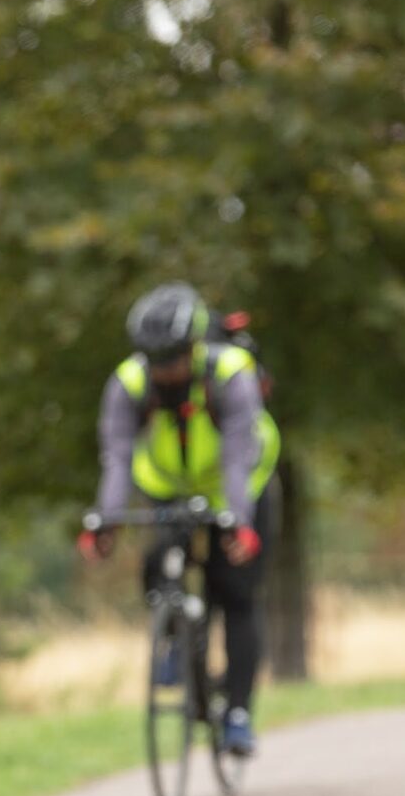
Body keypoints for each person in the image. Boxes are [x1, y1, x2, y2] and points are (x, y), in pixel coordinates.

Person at [82, 281, 281, 754]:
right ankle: (172, 639)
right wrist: (105, 520)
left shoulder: (230, 372)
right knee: (159, 561)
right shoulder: (129, 382)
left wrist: (240, 521)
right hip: (170, 485)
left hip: (242, 483)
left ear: (194, 347)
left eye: (171, 358)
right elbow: (117, 456)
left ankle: (237, 712)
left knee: (234, 591)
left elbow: (237, 456)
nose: (163, 370)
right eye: (154, 359)